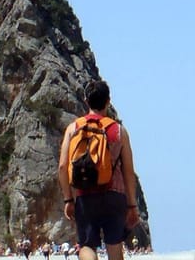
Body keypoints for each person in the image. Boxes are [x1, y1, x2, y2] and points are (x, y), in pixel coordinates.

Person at [58, 80, 141, 260]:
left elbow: (63, 166)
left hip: (85, 195)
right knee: (114, 246)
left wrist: (68, 199)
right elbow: (128, 171)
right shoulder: (119, 131)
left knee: (87, 245)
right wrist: (132, 205)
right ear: (108, 101)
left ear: (86, 100)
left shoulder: (73, 129)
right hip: (114, 196)